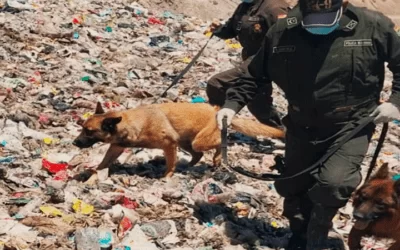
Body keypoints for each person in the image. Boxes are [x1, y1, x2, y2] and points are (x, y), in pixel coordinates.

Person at [215, 0, 400, 249]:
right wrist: (232, 104)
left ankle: (317, 238)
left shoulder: (374, 26)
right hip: (301, 125)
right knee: (293, 186)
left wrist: (395, 102)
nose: (318, 26)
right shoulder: (283, 31)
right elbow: (254, 74)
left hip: (350, 126)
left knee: (334, 183)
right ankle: (299, 236)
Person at [206, 0, 290, 128]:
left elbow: (288, 38)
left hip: (266, 60)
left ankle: (215, 125)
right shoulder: (244, 8)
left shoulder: (274, 8)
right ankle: (281, 132)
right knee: (257, 104)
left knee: (216, 83)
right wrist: (217, 30)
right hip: (252, 61)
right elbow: (230, 30)